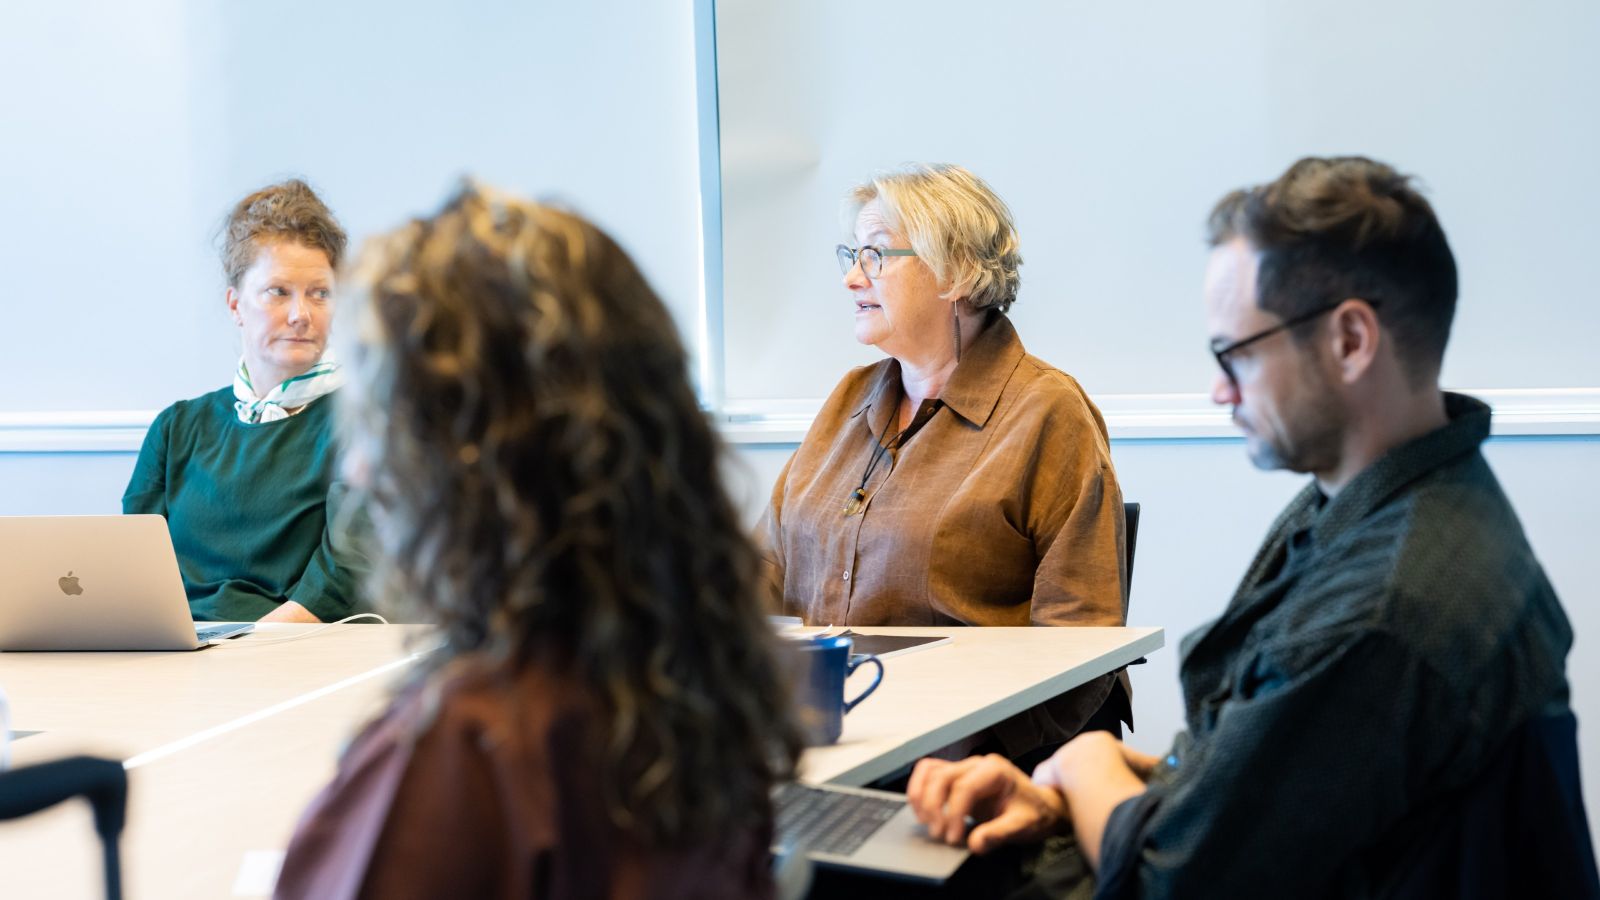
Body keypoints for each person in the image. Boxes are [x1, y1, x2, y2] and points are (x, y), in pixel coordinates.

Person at [905, 156, 1586, 898]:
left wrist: (1083, 766)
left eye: (1236, 353)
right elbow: (1272, 783)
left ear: (1351, 341)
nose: (1218, 390)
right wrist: (1068, 797)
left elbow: (1175, 884)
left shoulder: (1383, 613)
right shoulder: (1399, 507)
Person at [273, 185, 804, 899]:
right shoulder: (698, 683)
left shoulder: (466, 743)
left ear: (475, 458)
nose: (362, 466)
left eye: (384, 423)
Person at [757, 163, 1130, 762]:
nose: (853, 278)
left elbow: (1080, 641)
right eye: (851, 255)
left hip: (973, 761)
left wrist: (961, 752)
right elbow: (763, 571)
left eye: (876, 255)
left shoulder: (1047, 413)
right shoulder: (846, 401)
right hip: (822, 739)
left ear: (955, 272)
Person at [122, 179, 363, 623]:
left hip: (291, 657)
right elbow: (132, 574)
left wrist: (245, 649)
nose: (301, 315)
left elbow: (345, 575)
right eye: (279, 292)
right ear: (236, 305)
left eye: (320, 293)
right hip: (177, 655)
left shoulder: (364, 423)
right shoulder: (176, 428)